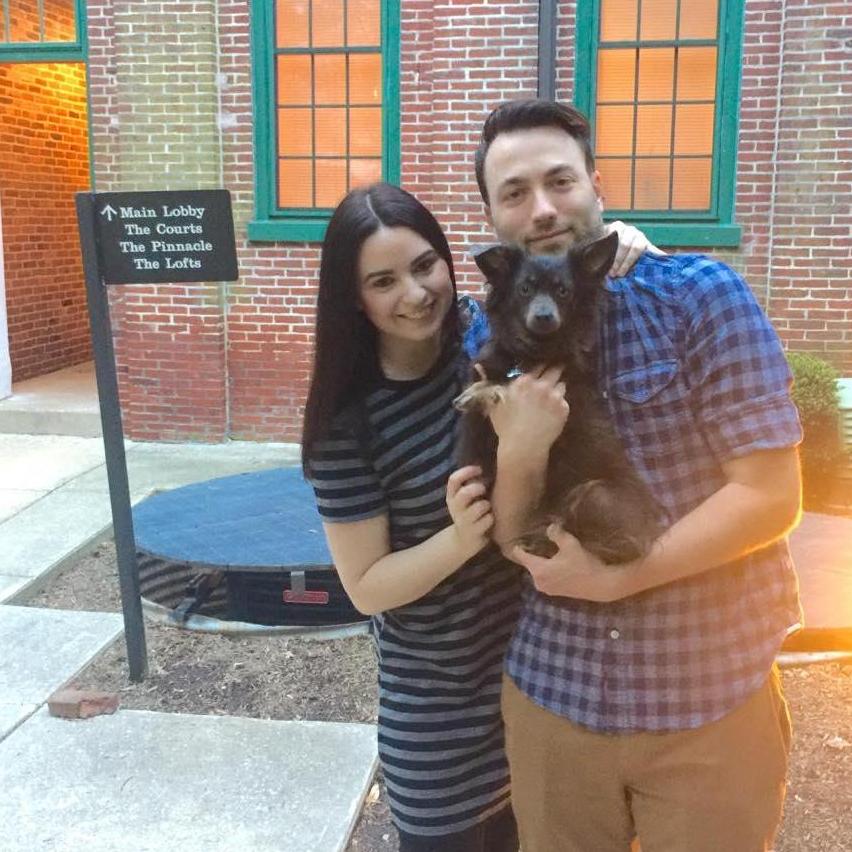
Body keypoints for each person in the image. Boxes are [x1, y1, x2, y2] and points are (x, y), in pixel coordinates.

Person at [476, 99, 803, 852]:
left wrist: (626, 575)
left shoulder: (701, 297)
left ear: (596, 184)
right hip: (553, 701)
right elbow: (505, 531)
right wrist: (522, 451)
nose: (545, 208)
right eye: (515, 193)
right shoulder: (492, 332)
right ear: (494, 217)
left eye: (560, 180)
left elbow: (772, 494)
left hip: (709, 702)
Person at [301, 181, 654, 851]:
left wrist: (626, 242)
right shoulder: (345, 427)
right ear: (354, 297)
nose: (415, 293)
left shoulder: (482, 329)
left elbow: (566, 282)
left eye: (425, 265)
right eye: (383, 281)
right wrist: (466, 537)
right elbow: (366, 587)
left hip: (546, 686)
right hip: (442, 718)